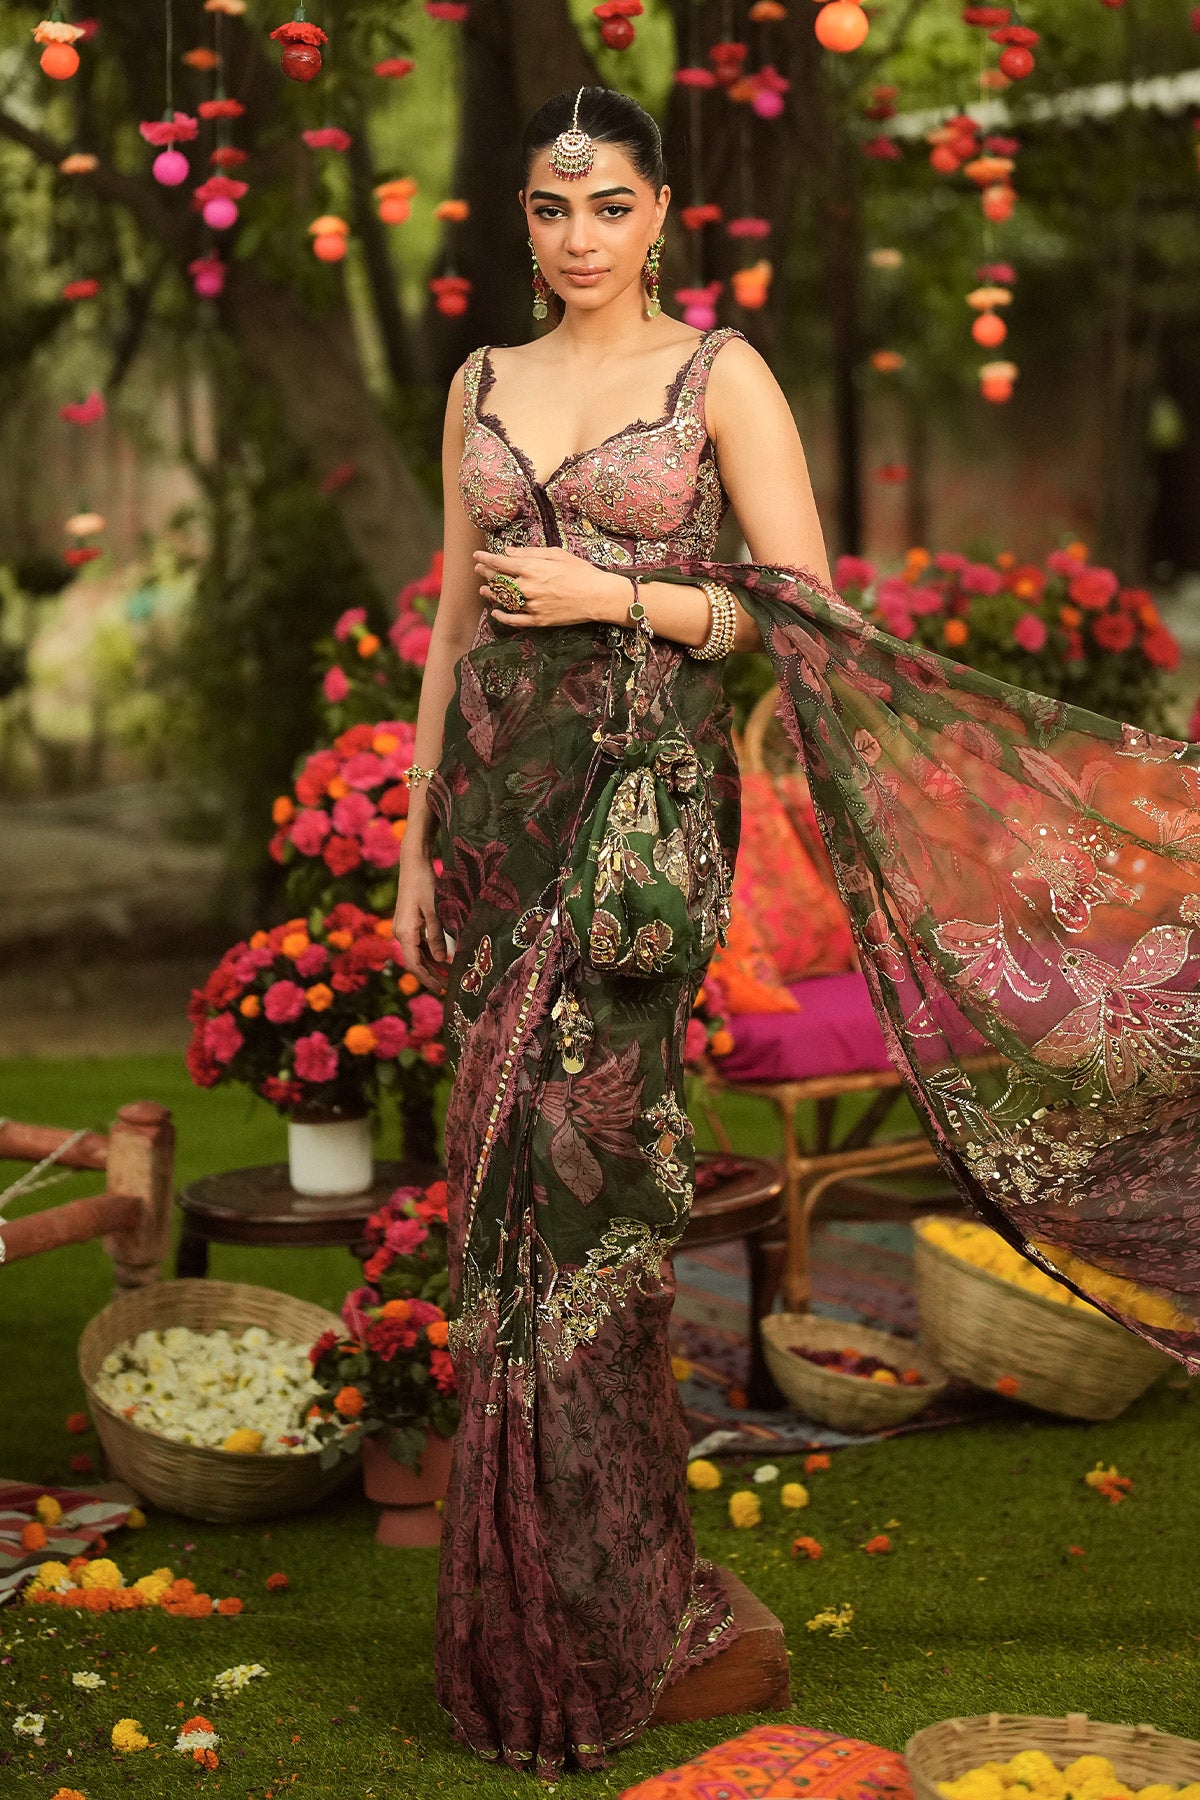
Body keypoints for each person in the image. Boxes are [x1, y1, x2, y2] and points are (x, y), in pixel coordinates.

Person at [393, 85, 1200, 1779]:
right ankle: (521, 1611)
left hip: (634, 835)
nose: (578, 236)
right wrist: (408, 848)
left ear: (659, 213)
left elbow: (797, 614)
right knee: (497, 1216)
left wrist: (623, 596)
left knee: (595, 1202)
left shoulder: (717, 376)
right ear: (523, 224)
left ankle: (611, 1611)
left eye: (609, 205)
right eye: (550, 209)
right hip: (489, 833)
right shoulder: (478, 383)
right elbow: (453, 624)